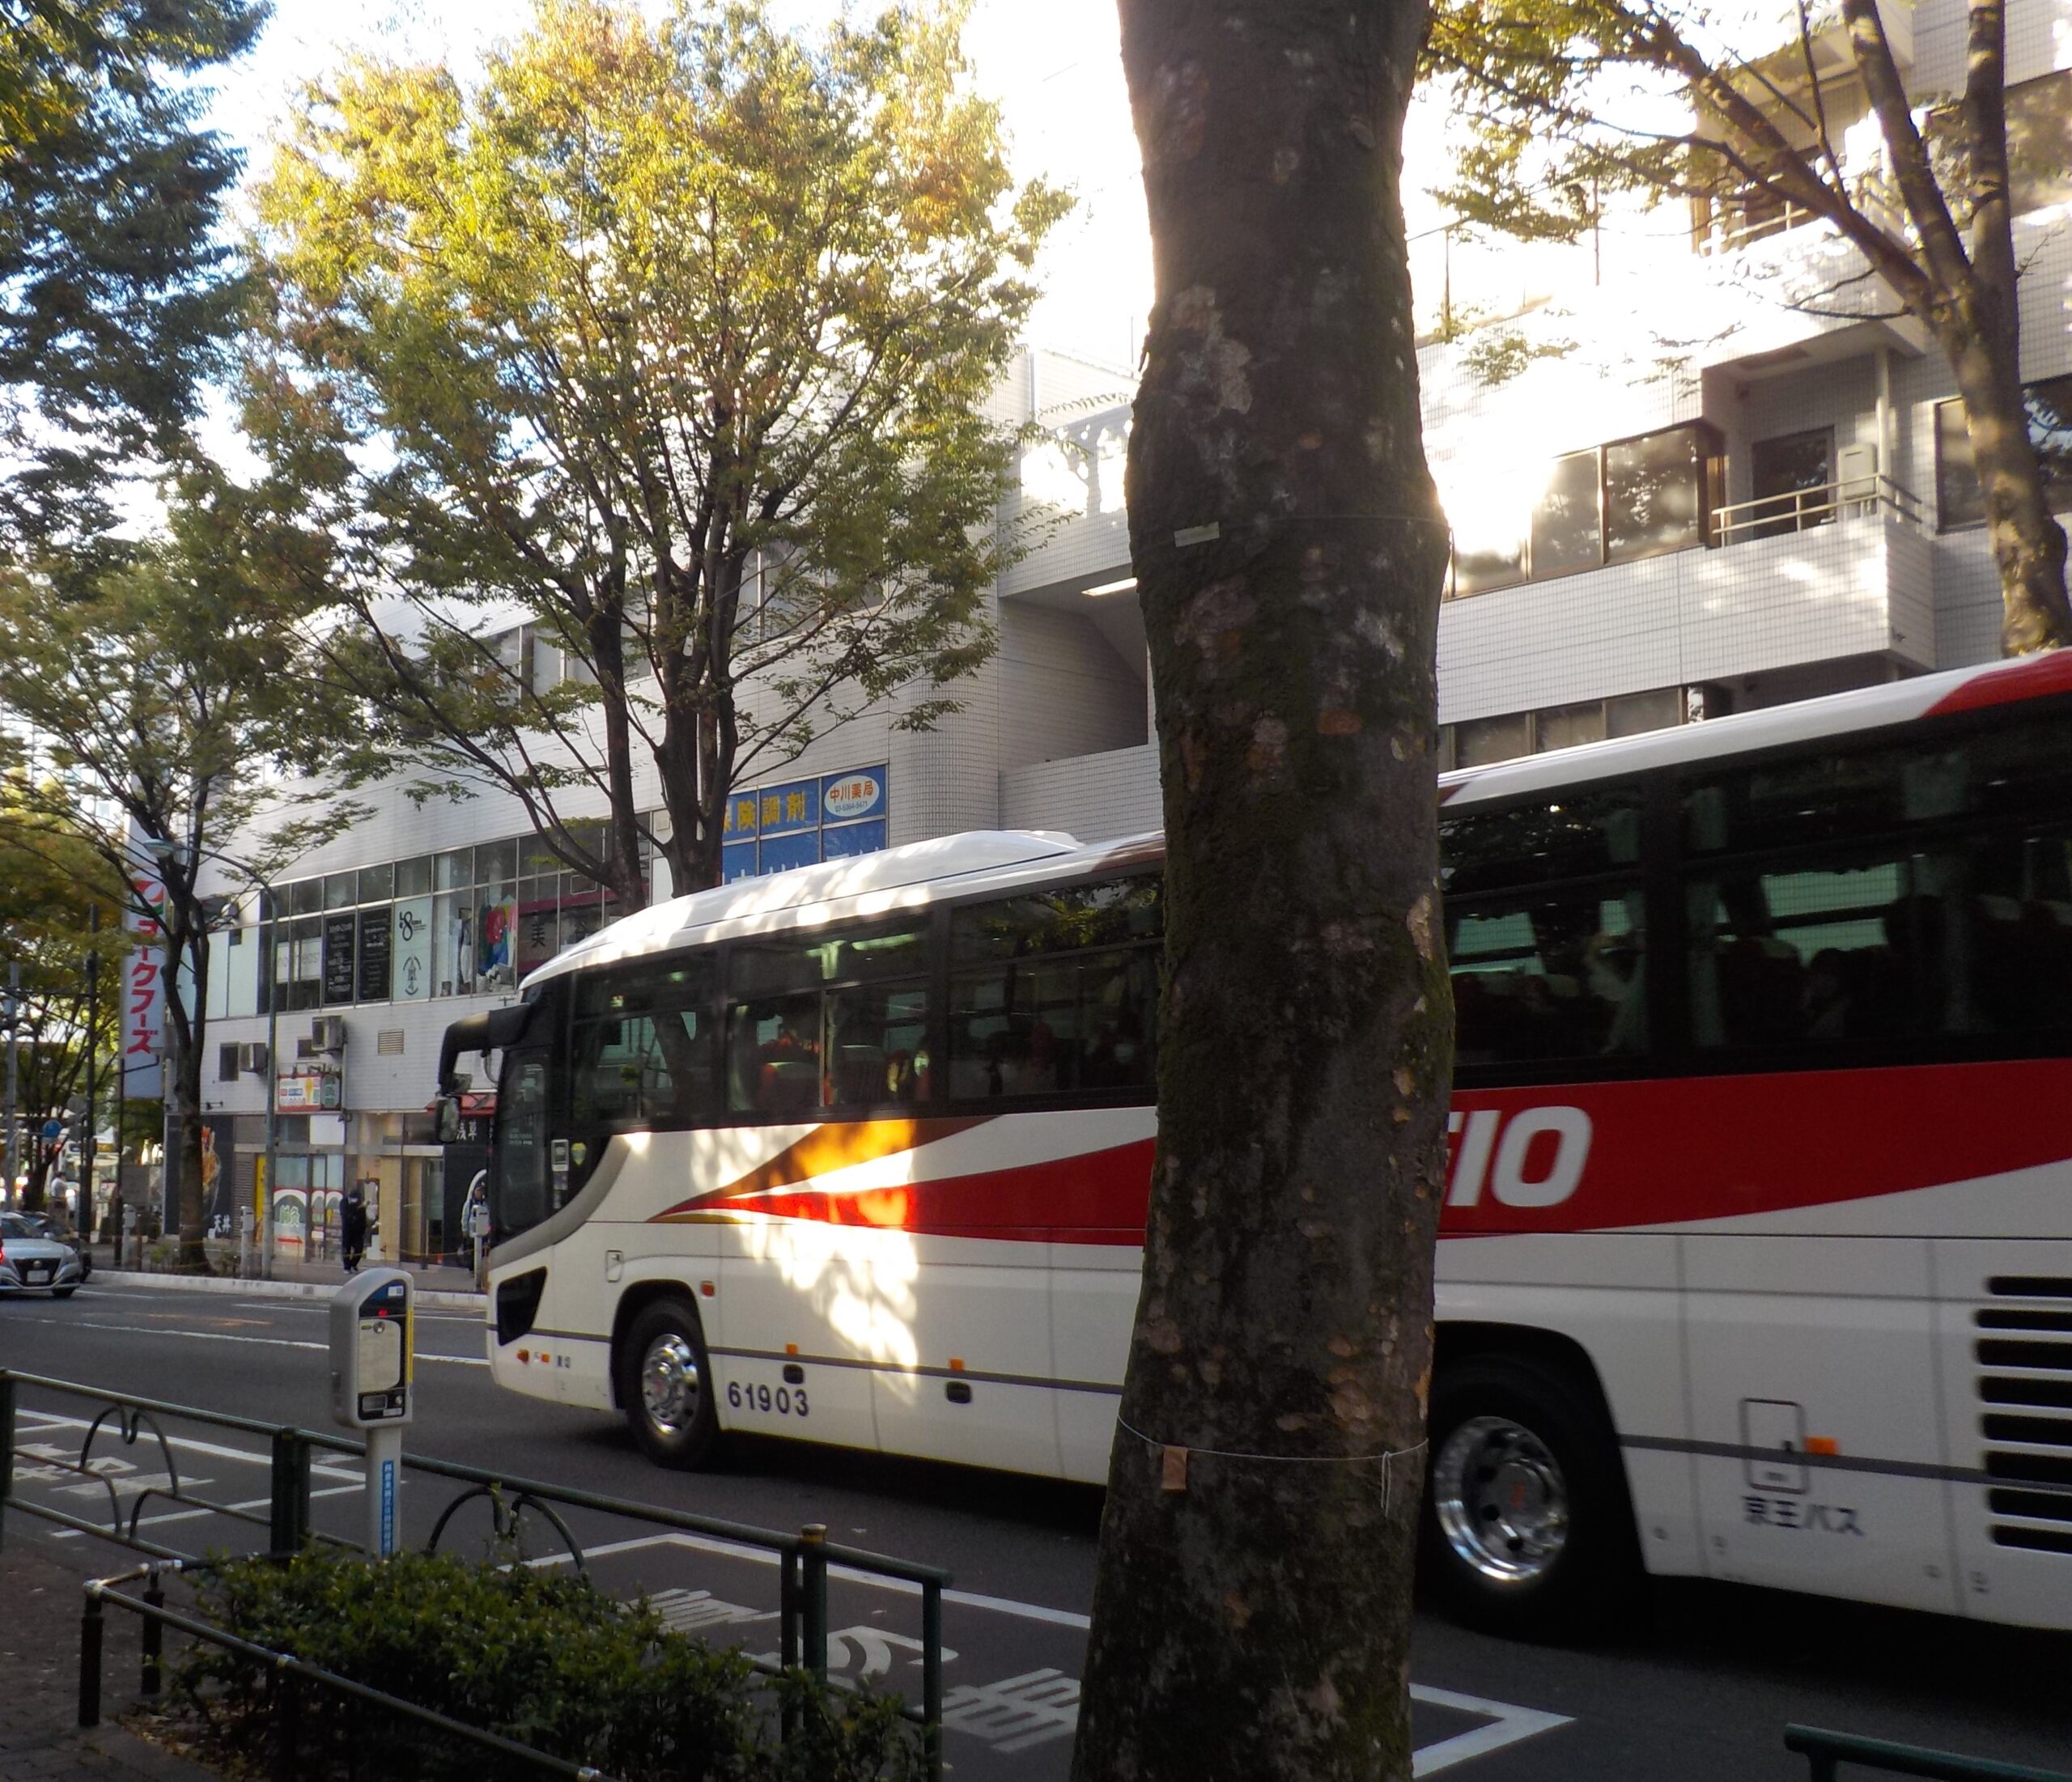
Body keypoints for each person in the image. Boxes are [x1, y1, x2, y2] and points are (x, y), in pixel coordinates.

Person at [339, 1186, 369, 1273]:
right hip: (347, 1230)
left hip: (358, 1231)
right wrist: (358, 1209)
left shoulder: (360, 1204)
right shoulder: (344, 1203)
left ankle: (353, 1264)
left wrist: (364, 1230)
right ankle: (347, 1267)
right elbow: (346, 1214)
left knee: (359, 1249)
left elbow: (363, 1218)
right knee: (346, 1249)